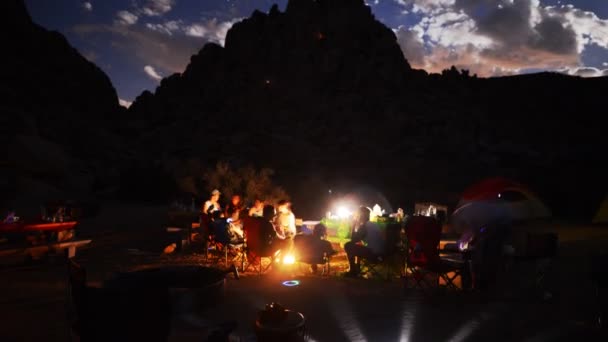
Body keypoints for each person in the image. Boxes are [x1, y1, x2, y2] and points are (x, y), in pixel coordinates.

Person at [343, 206, 385, 277]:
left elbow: (353, 240)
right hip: (382, 253)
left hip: (373, 255)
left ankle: (353, 270)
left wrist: (353, 225)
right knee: (358, 247)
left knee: (348, 245)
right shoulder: (374, 224)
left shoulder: (364, 227)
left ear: (360, 216)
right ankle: (357, 269)